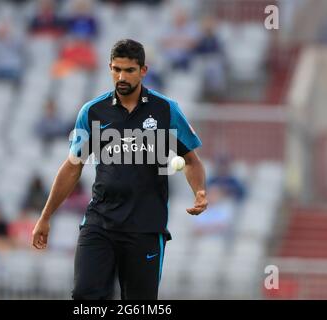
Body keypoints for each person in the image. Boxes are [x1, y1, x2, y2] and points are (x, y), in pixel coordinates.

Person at [32, 39, 208, 300]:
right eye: (116, 69)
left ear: (143, 71)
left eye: (129, 70)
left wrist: (200, 191)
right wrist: (45, 217)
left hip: (145, 227)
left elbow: (191, 160)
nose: (121, 76)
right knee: (85, 296)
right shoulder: (92, 112)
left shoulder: (165, 110)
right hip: (99, 222)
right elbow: (72, 168)